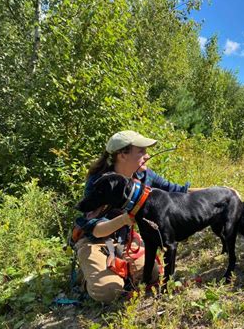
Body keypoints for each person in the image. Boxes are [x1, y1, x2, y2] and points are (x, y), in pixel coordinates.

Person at [74, 130, 197, 303]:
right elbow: (95, 229)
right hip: (96, 240)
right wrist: (125, 218)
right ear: (122, 155)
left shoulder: (143, 174)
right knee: (110, 292)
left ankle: (117, 271)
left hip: (126, 239)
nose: (147, 156)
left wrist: (220, 192)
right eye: (141, 151)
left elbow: (179, 191)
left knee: (154, 275)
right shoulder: (101, 182)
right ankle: (88, 274)